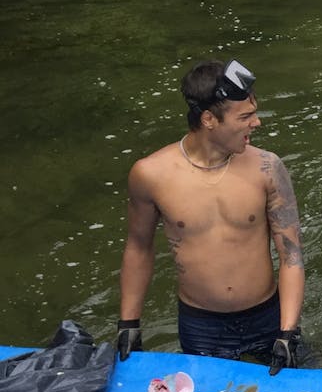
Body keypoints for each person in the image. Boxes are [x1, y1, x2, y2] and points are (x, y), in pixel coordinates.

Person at [117, 59, 308, 374]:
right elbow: (139, 246)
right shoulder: (151, 174)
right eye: (245, 116)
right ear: (208, 119)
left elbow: (291, 255)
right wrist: (129, 323)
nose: (257, 123)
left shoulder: (267, 168)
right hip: (200, 324)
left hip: (268, 316)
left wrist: (287, 332)